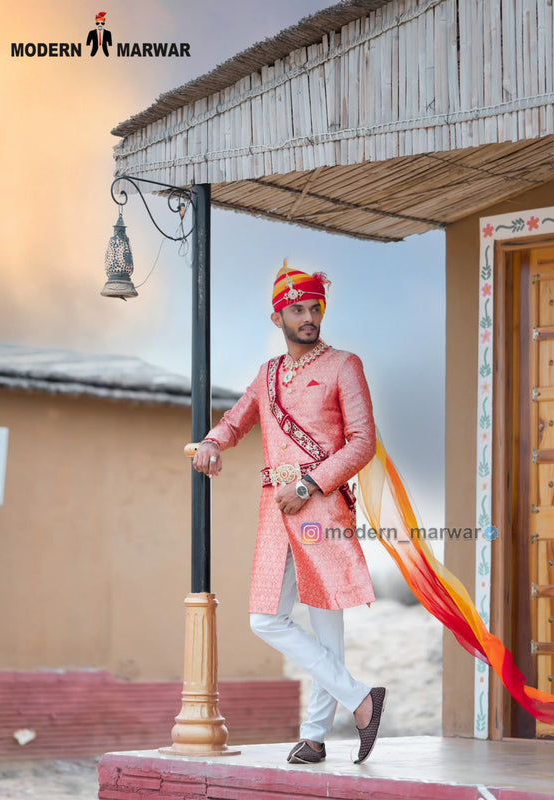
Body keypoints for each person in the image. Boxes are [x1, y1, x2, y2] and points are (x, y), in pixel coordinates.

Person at [193, 265, 386, 765]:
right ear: (278, 314)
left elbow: (363, 442)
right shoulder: (268, 373)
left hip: (320, 504)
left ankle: (316, 736)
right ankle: (362, 700)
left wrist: (308, 483)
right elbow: (236, 420)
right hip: (275, 510)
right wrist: (214, 442)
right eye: (298, 309)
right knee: (265, 618)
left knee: (326, 627)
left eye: (315, 308)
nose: (308, 317)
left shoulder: (345, 365)